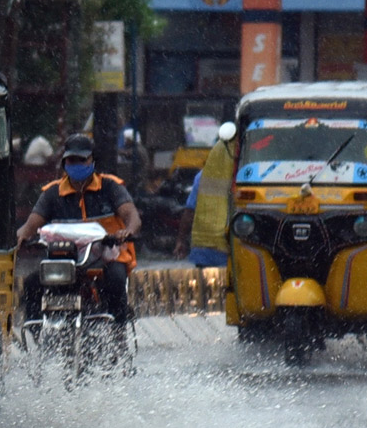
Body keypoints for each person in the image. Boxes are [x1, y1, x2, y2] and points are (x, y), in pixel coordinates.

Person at [15, 133, 142, 325]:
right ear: (65, 162)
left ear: (92, 160)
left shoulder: (110, 187)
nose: (77, 164)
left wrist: (127, 231)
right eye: (72, 160)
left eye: (82, 160)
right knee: (32, 283)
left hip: (105, 257)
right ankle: (36, 332)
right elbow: (31, 224)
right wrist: (21, 237)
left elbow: (131, 216)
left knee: (116, 280)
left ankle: (118, 332)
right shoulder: (52, 193)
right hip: (64, 261)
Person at [172, 138, 234, 268]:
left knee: (206, 286)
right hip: (230, 247)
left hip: (203, 247)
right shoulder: (242, 177)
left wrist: (180, 241)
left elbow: (189, 212)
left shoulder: (202, 176)